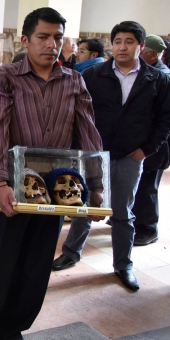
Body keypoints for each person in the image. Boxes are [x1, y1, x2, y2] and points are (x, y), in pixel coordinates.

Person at [0, 8, 103, 340]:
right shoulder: (5, 79)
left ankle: (12, 335)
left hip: (49, 195)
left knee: (33, 270)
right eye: (43, 37)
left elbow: (88, 133)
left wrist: (97, 185)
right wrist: (0, 183)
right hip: (8, 192)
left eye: (58, 37)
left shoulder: (74, 82)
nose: (52, 45)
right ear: (25, 40)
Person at [52, 22, 170, 292]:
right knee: (84, 205)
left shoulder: (157, 79)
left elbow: (165, 120)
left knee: (123, 212)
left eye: (129, 41)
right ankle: (71, 252)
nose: (122, 47)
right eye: (117, 41)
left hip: (130, 156)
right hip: (94, 153)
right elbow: (78, 112)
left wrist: (145, 150)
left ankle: (123, 264)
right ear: (112, 45)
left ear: (141, 46)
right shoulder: (95, 75)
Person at [130, 34, 170, 247]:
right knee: (140, 185)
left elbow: (163, 119)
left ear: (153, 55)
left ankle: (148, 229)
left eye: (141, 51)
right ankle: (135, 222)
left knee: (147, 188)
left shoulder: (162, 77)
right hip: (146, 143)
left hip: (155, 146)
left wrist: (149, 147)